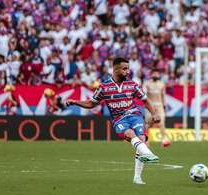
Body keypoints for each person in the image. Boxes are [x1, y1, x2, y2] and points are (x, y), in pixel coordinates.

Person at [65, 57, 160, 185]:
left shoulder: (132, 85)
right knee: (130, 134)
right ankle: (149, 154)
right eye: (124, 69)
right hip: (119, 119)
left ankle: (137, 177)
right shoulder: (104, 87)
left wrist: (154, 113)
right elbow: (91, 103)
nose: (127, 71)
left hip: (135, 115)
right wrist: (76, 102)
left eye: (128, 68)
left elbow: (145, 101)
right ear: (115, 69)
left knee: (142, 139)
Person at [143, 69, 171, 147]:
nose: (155, 75)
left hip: (159, 106)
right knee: (148, 124)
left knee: (161, 123)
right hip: (150, 106)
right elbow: (144, 94)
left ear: (159, 75)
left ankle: (164, 140)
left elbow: (163, 95)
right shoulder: (147, 83)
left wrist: (164, 104)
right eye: (154, 73)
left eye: (157, 74)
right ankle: (145, 140)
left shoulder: (162, 84)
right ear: (151, 74)